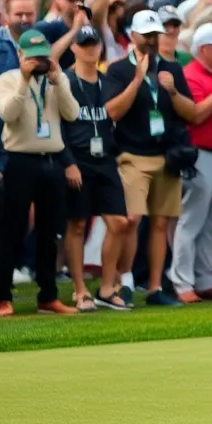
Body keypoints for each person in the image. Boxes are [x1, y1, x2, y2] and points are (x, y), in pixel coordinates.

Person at [103, 10, 199, 307]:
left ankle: (155, 287)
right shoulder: (118, 70)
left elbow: (192, 113)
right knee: (132, 220)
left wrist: (172, 91)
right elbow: (111, 112)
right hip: (132, 155)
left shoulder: (172, 68)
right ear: (132, 36)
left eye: (155, 35)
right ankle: (126, 280)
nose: (151, 40)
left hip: (165, 155)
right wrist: (137, 80)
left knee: (161, 223)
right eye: (146, 35)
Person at [0, 30, 80, 316]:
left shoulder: (57, 80)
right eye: (31, 57)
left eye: (42, 57)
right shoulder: (6, 79)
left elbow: (72, 114)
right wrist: (23, 80)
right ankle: (2, 296)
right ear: (20, 55)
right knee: (13, 229)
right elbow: (8, 114)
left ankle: (48, 296)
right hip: (20, 161)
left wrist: (58, 81)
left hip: (52, 161)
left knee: (50, 232)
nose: (37, 62)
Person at [60, 26, 131, 311]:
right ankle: (80, 290)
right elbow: (58, 126)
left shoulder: (108, 82)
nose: (90, 49)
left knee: (120, 222)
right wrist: (68, 163)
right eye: (84, 44)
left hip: (105, 160)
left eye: (94, 43)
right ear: (74, 48)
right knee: (77, 224)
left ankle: (106, 287)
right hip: (78, 160)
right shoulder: (64, 82)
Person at [171, 22, 212, 301]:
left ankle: (204, 278)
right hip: (201, 154)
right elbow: (196, 115)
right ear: (204, 49)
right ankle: (182, 282)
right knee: (192, 220)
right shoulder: (190, 75)